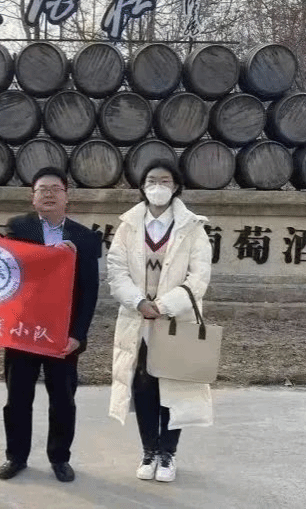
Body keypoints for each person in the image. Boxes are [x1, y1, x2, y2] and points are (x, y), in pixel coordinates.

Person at [106, 158, 214, 483]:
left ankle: (168, 452)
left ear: (176, 186)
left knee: (174, 386)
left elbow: (199, 278)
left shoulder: (192, 228)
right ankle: (148, 450)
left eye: (165, 180)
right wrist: (139, 302)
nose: (158, 186)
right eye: (151, 180)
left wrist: (164, 305)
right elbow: (116, 270)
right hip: (137, 319)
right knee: (144, 387)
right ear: (142, 186)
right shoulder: (128, 226)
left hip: (175, 319)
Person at [0, 167, 102, 483]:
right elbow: (12, 270)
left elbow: (90, 291)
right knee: (18, 398)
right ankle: (16, 457)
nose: (49, 194)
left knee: (63, 400)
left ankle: (60, 458)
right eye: (42, 189)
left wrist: (78, 335)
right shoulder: (18, 227)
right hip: (23, 331)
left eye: (56, 188)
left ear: (67, 197)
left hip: (62, 334)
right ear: (33, 197)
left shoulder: (84, 238)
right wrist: (52, 255)